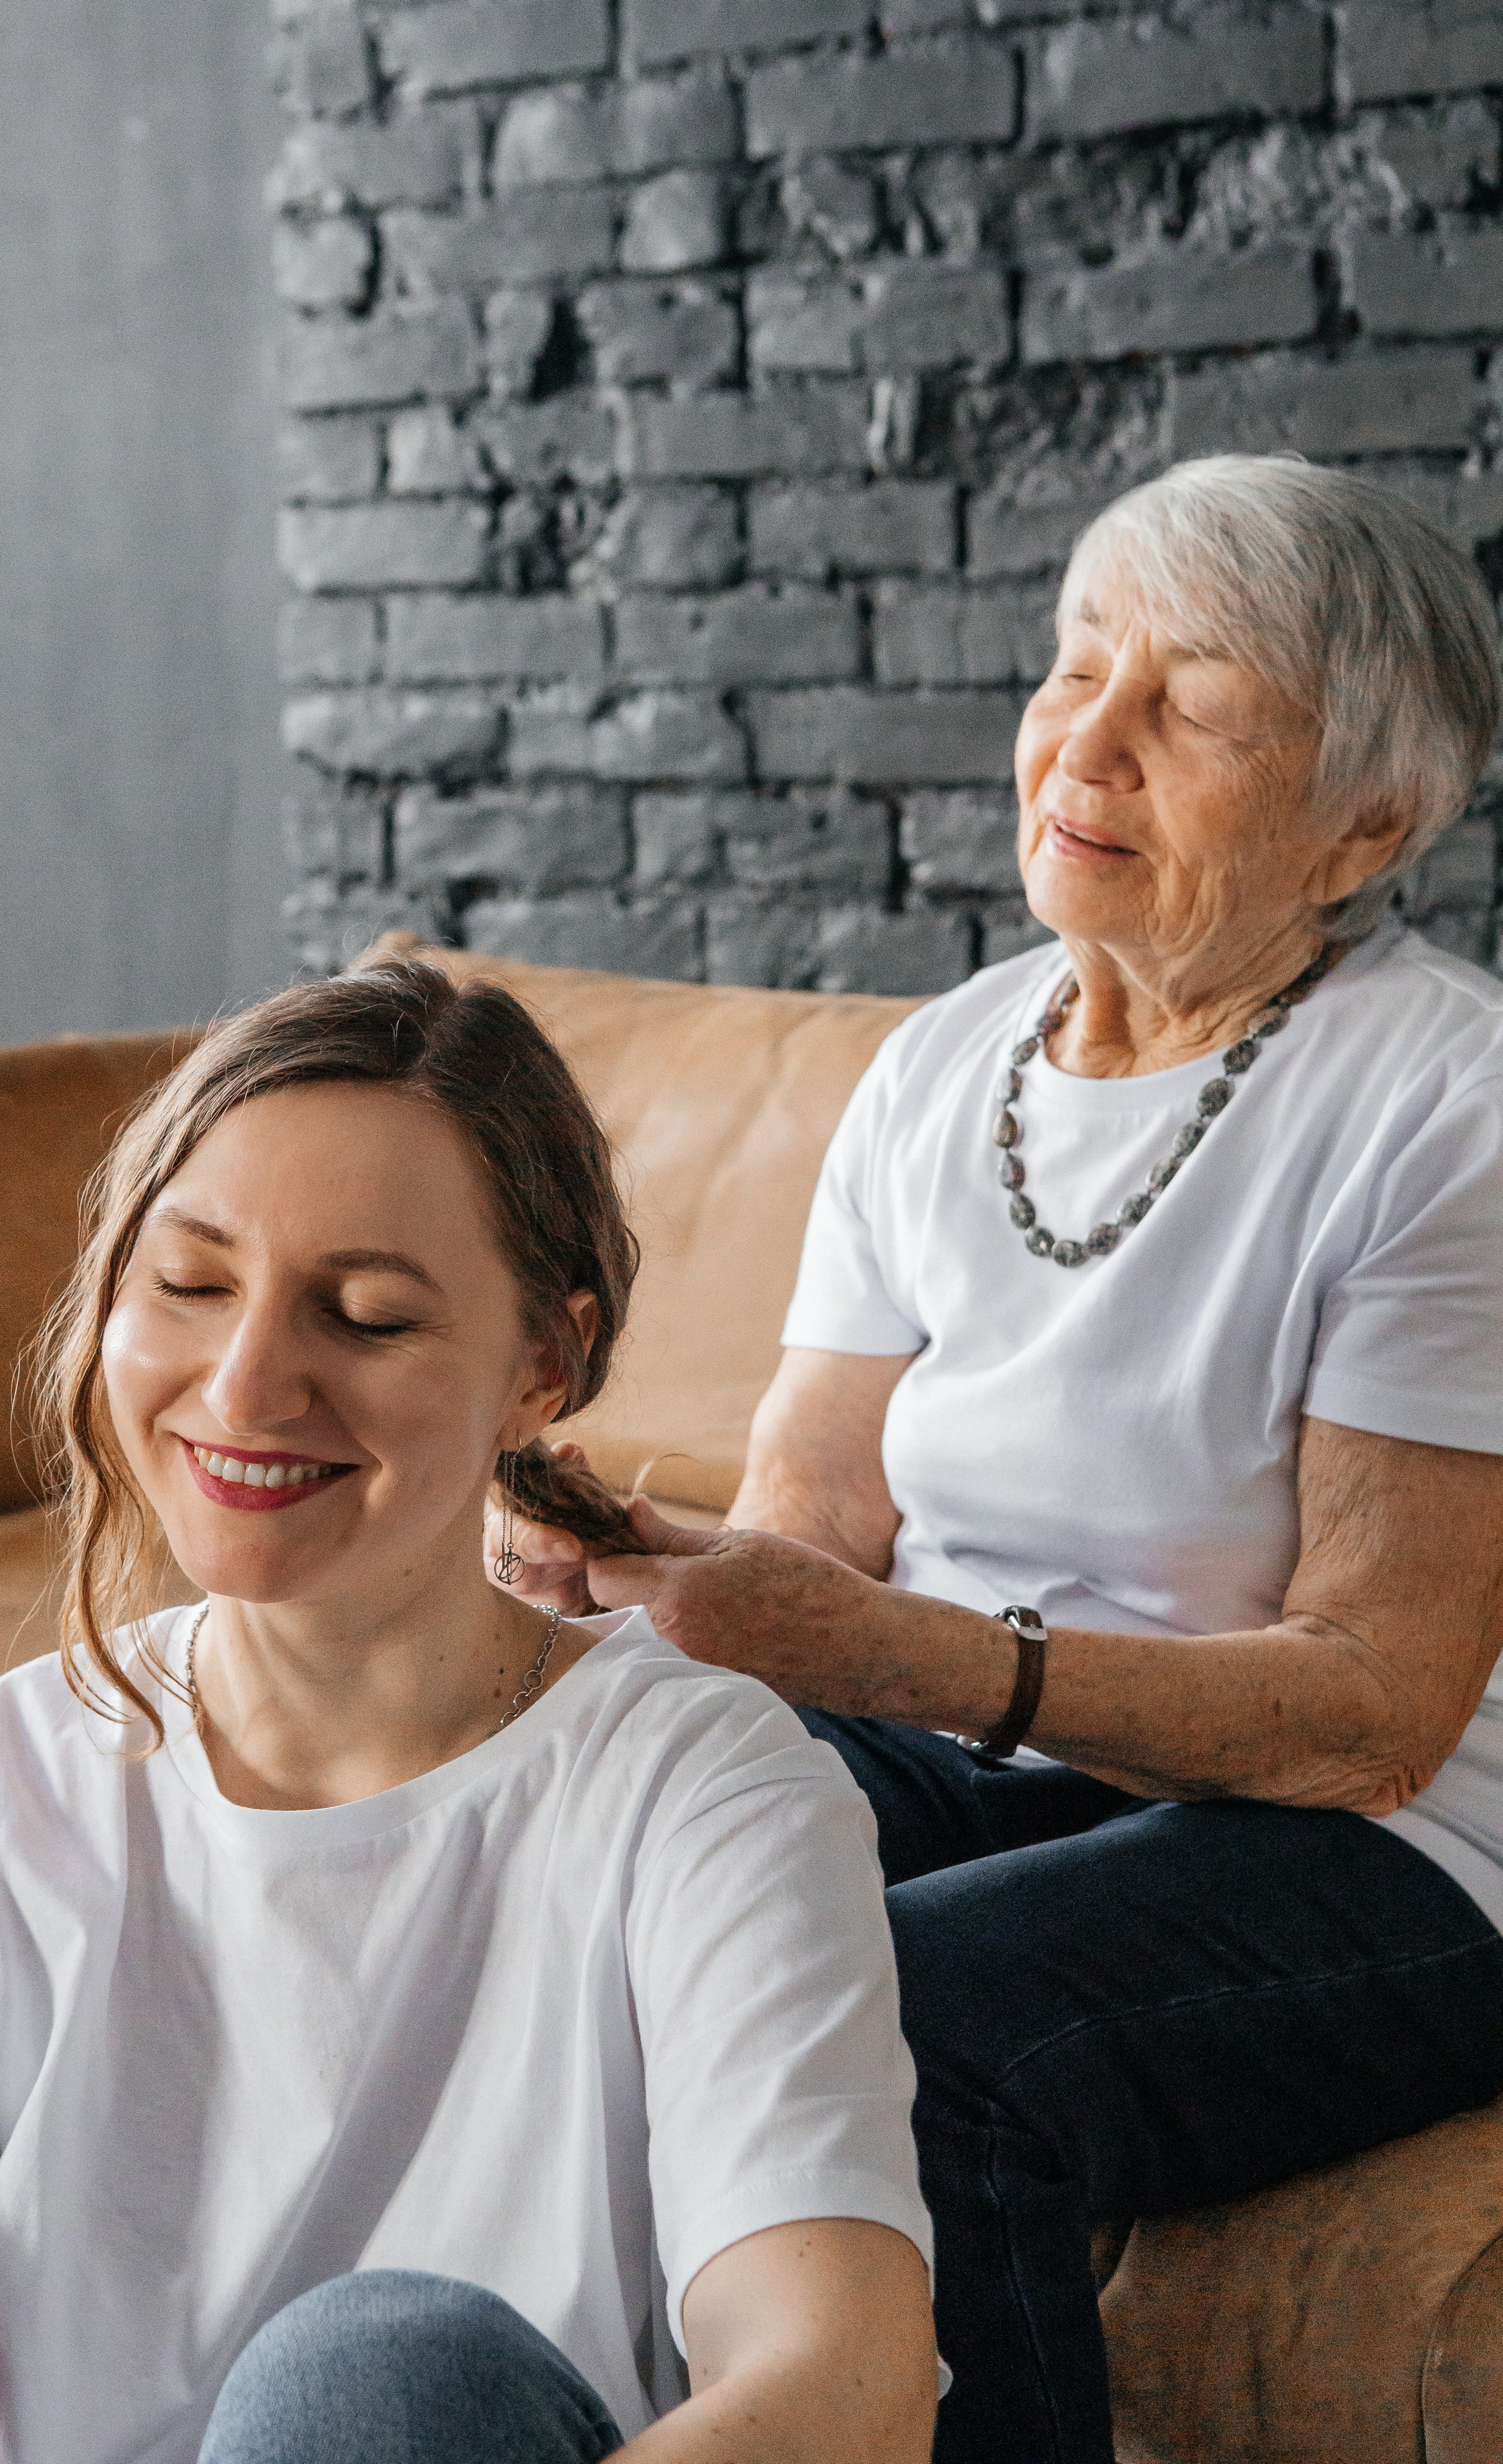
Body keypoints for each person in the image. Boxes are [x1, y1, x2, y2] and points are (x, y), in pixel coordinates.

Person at [498, 456, 1503, 2464]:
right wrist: (661, 1569)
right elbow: (819, 1530)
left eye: (1192, 705)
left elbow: (1378, 1718)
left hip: (1390, 1854)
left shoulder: (1448, 1110)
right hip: (1000, 1760)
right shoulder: (945, 1062)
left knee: (917, 2025)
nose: (1088, 742)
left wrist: (905, 1659)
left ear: (1368, 825)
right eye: (1074, 665)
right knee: (560, 1858)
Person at [0, 961, 940, 2464]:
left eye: (362, 1318)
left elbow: (842, 2380)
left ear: (542, 1367)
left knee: (371, 2383)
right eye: (190, 1286)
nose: (243, 1385)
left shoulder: (703, 1792)